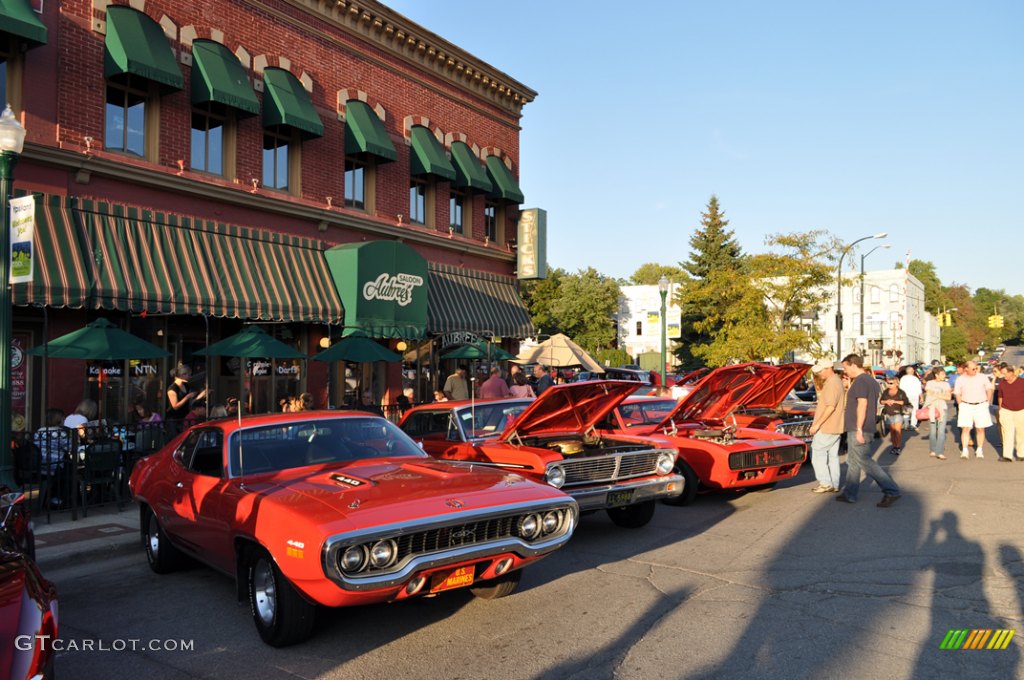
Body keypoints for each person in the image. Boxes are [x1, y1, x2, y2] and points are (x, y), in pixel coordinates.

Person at [835, 354, 901, 507]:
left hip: (860, 428)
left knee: (865, 461)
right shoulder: (871, 381)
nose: (845, 372)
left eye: (846, 368)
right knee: (853, 461)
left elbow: (862, 404)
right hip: (863, 426)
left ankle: (891, 490)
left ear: (853, 365)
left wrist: (858, 428)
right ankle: (850, 493)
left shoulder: (861, 381)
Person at [807, 360, 844, 493]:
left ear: (829, 368)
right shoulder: (836, 381)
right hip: (835, 425)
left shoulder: (832, 383)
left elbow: (830, 407)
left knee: (817, 453)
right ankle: (834, 483)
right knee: (832, 456)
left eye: (821, 370)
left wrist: (816, 425)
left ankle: (825, 483)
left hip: (827, 426)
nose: (819, 373)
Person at [952, 360, 993, 459]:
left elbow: (989, 388)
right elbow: (957, 392)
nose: (975, 370)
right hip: (966, 405)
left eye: (976, 368)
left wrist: (987, 401)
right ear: (966, 369)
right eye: (973, 369)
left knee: (980, 428)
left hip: (981, 405)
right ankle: (965, 450)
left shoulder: (982, 377)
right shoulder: (960, 379)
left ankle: (979, 449)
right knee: (965, 428)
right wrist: (960, 404)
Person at [34, 408, 70, 507]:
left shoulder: (40, 431)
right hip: (55, 466)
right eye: (63, 418)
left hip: (41, 464)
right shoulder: (61, 433)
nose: (65, 420)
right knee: (70, 472)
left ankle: (49, 497)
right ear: (59, 419)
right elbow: (70, 448)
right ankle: (58, 498)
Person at [996, 362, 1024, 462]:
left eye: (1005, 374)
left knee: (1021, 433)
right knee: (1007, 433)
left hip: (1021, 411)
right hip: (1006, 410)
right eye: (1002, 374)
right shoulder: (1002, 383)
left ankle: (1021, 454)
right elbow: (1000, 396)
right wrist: (1000, 409)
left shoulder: (1022, 382)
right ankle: (1007, 455)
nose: (1004, 376)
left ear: (1011, 372)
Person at [923, 368, 952, 460]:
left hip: (942, 408)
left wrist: (937, 395)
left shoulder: (946, 384)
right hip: (931, 408)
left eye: (944, 374)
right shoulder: (930, 383)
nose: (944, 376)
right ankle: (933, 449)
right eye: (942, 374)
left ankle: (940, 452)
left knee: (941, 431)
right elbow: (928, 393)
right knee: (932, 431)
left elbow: (949, 397)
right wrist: (941, 395)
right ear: (936, 375)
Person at [879, 378, 912, 455]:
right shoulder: (885, 392)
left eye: (891, 383)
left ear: (896, 384)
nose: (889, 385)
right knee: (893, 432)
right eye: (888, 383)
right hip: (889, 413)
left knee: (898, 431)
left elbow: (905, 402)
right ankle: (894, 446)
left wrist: (895, 401)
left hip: (898, 413)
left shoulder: (901, 392)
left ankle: (898, 447)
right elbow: (881, 401)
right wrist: (886, 401)